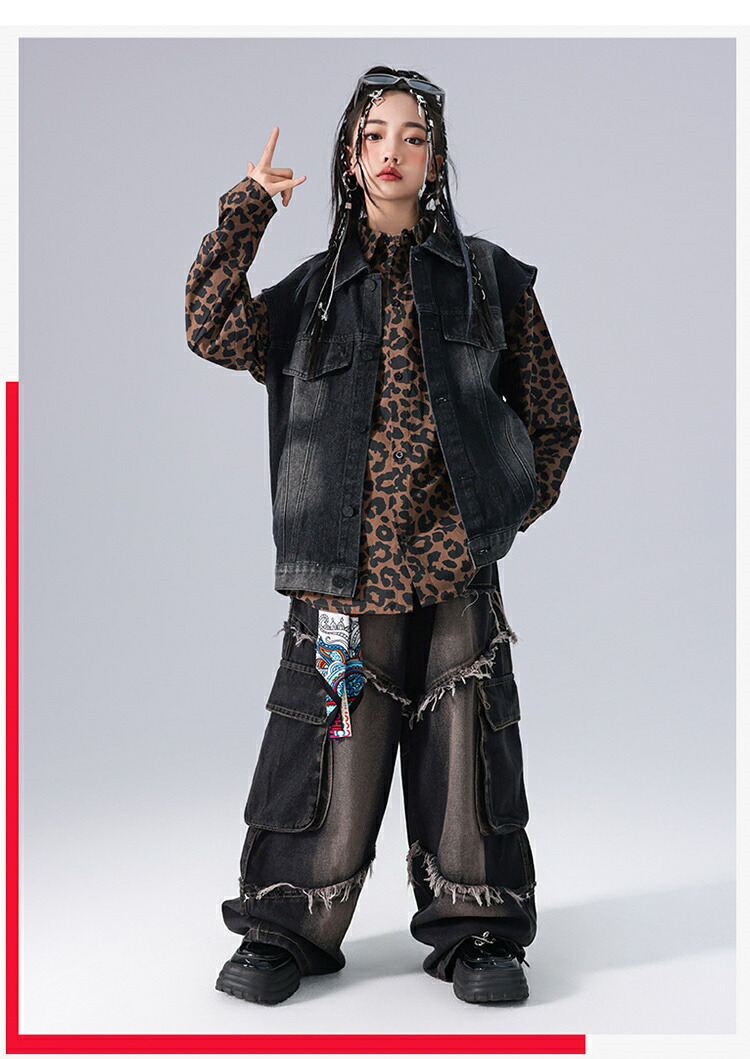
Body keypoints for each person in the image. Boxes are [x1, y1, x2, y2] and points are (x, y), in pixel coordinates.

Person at [184, 66, 582, 1006]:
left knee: (468, 756)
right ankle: (284, 926)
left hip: (452, 576)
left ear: (435, 159)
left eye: (412, 135)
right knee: (324, 758)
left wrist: (493, 521)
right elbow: (209, 325)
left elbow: (553, 419)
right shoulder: (310, 295)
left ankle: (479, 927)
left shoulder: (489, 281)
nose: (392, 151)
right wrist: (248, 205)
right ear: (349, 156)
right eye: (373, 135)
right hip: (340, 577)